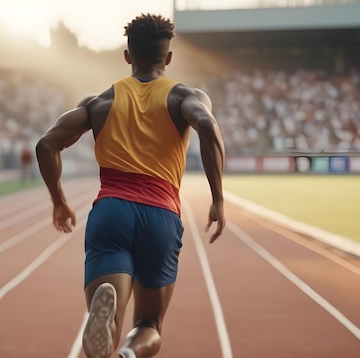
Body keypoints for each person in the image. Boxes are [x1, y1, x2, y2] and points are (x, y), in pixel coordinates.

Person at [36, 13, 226, 358]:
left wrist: (59, 201)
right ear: (168, 58)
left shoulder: (99, 103)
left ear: (127, 55)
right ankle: (129, 353)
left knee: (110, 306)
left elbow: (45, 144)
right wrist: (218, 199)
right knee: (150, 324)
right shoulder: (184, 97)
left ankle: (107, 313)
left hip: (111, 211)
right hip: (161, 215)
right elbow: (209, 128)